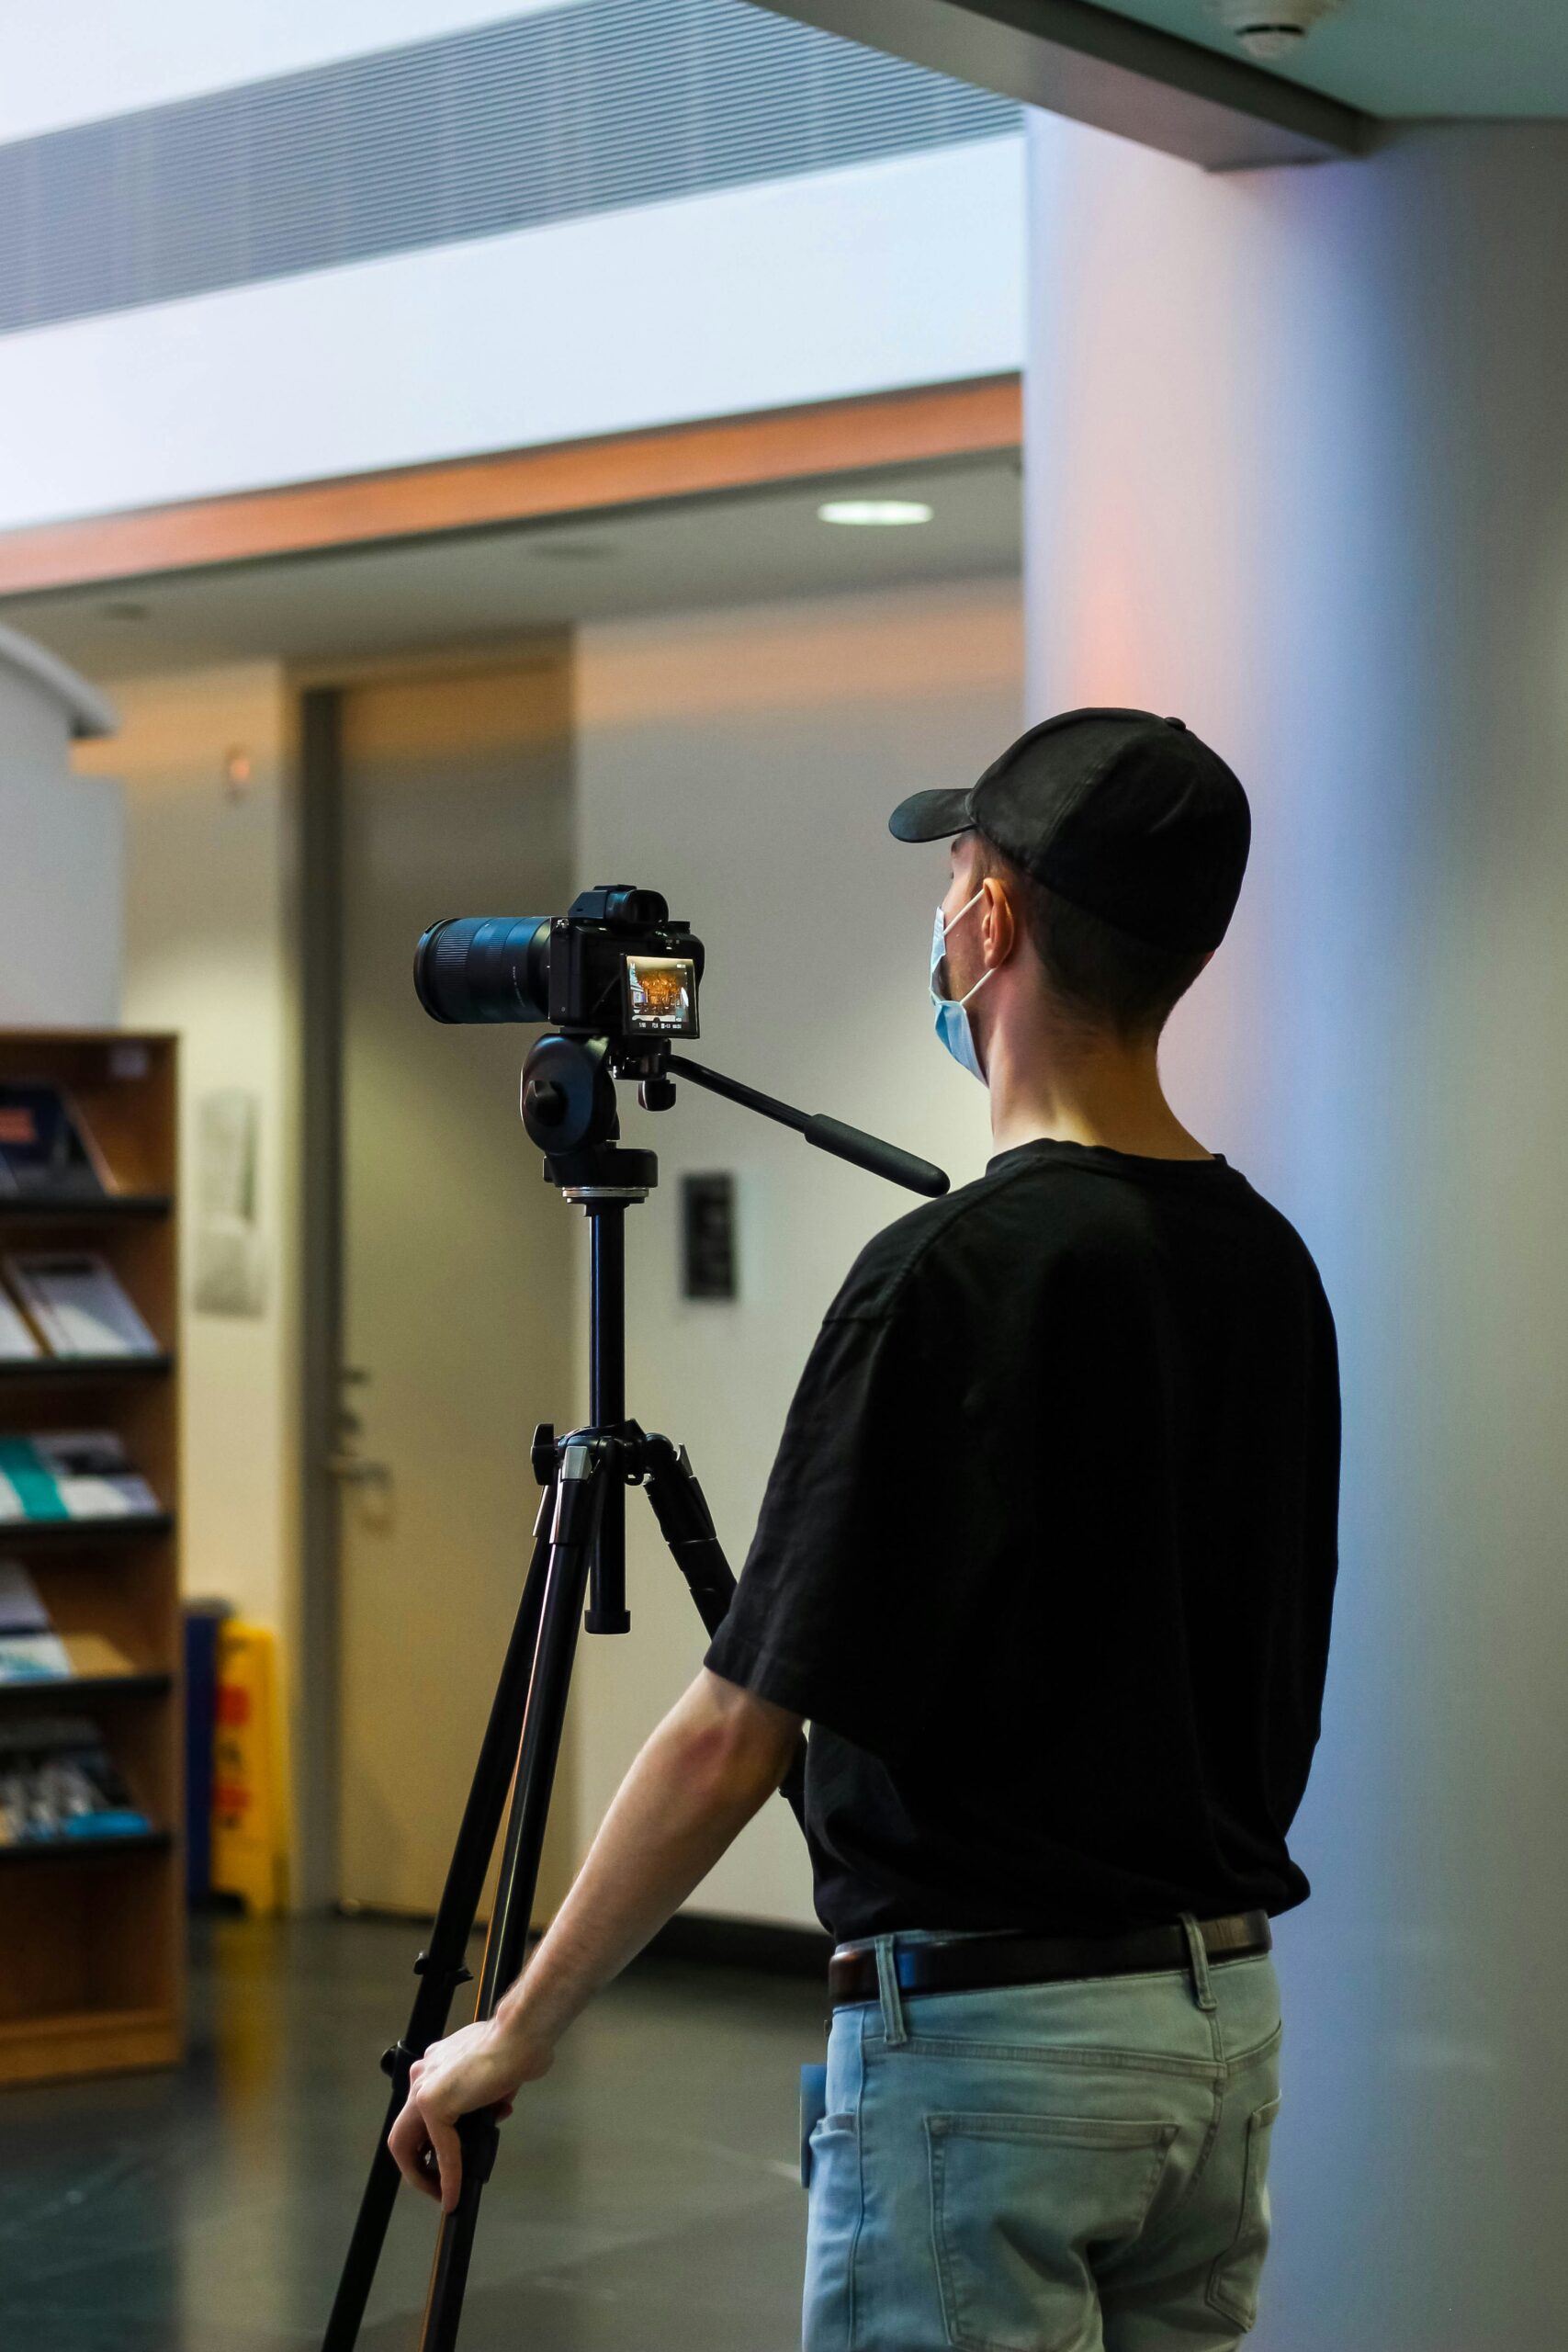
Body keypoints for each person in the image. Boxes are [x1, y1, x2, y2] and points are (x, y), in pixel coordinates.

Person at [389, 707, 1341, 2352]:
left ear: (992, 923)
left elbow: (732, 1733)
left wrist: (514, 2031)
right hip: (1220, 2037)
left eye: (958, 872)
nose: (948, 910)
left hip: (996, 2063)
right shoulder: (1270, 1263)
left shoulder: (949, 1276)